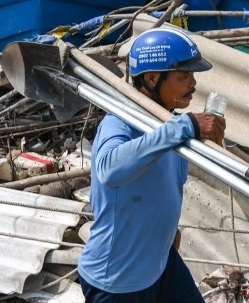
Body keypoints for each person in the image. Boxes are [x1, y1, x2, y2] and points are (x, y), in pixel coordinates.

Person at [78, 28, 226, 302]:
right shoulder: (120, 123)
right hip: (119, 279)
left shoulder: (168, 124)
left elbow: (165, 187)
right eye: (184, 77)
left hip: (160, 262)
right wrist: (186, 125)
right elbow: (109, 170)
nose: (193, 84)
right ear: (152, 78)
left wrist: (168, 231)